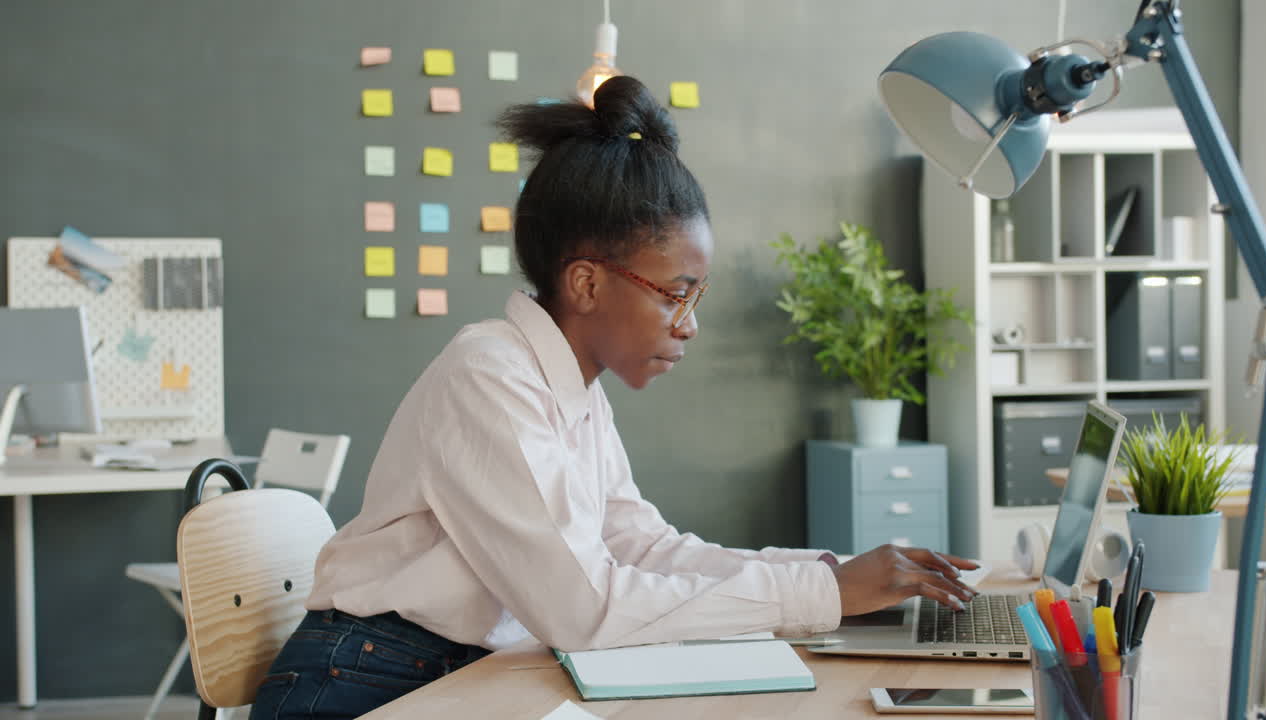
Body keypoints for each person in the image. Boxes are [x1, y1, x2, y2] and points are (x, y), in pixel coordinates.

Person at [249, 76, 976, 720]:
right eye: (675, 294)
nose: (689, 326)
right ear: (587, 283)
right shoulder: (489, 377)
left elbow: (643, 546)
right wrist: (824, 595)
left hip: (451, 670)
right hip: (360, 686)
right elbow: (584, 606)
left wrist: (826, 576)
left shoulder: (572, 389)